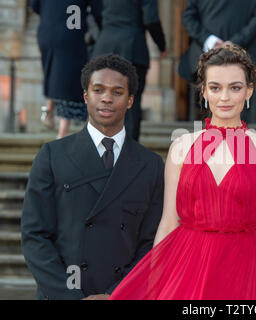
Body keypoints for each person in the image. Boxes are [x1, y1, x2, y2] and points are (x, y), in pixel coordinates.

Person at [109, 43, 256, 300]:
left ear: (248, 91)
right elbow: (169, 222)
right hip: (187, 264)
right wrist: (156, 284)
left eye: (235, 88)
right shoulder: (182, 146)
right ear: (204, 92)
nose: (224, 97)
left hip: (244, 268)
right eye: (215, 88)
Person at [21, 54, 164, 300]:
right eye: (98, 90)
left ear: (130, 100)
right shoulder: (52, 156)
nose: (107, 98)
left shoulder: (151, 165)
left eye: (117, 92)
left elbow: (151, 243)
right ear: (86, 96)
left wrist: (116, 295)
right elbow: (35, 236)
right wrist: (70, 296)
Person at [178, 0, 256, 120]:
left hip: (245, 57)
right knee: (204, 116)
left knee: (239, 116)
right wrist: (212, 41)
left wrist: (234, 43)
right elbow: (188, 17)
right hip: (201, 59)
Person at [93, 0, 168, 141]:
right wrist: (162, 45)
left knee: (101, 102)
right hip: (132, 48)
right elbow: (151, 19)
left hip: (104, 46)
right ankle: (128, 156)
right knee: (131, 105)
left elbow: (94, 12)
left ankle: (99, 153)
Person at [30, 0, 102, 139]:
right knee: (68, 81)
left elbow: (34, 6)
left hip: (46, 30)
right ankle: (61, 135)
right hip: (70, 32)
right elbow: (97, 10)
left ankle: (48, 111)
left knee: (53, 73)